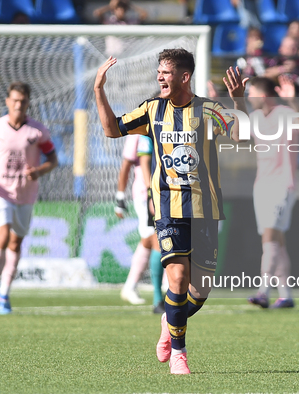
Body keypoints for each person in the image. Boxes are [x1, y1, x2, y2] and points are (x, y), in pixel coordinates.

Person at [94, 48, 247, 374]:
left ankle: (169, 321)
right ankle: (179, 352)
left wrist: (239, 102)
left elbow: (241, 137)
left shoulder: (208, 110)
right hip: (167, 207)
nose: (160, 77)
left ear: (184, 76)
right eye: (159, 72)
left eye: (166, 72)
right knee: (176, 278)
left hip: (205, 209)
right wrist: (98, 89)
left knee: (200, 290)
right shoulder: (152, 110)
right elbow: (111, 129)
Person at [0, 81, 58, 315]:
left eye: (23, 101)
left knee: (16, 242)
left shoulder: (38, 131)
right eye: (15, 100)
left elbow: (53, 159)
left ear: (28, 103)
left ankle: (5, 292)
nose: (18, 105)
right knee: (2, 234)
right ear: (8, 101)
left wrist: (39, 171)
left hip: (25, 193)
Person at [245, 76, 299, 309]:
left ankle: (263, 291)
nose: (248, 97)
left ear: (263, 95)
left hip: (282, 184)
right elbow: (236, 132)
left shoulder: (286, 113)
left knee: (270, 239)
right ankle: (285, 295)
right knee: (277, 242)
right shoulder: (256, 117)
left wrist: (293, 101)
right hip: (262, 185)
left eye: (251, 92)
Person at [115, 134, 165, 313]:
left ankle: (130, 286)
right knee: (158, 239)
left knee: (147, 240)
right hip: (147, 195)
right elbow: (129, 165)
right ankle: (158, 299)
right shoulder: (141, 133)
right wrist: (120, 196)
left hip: (164, 193)